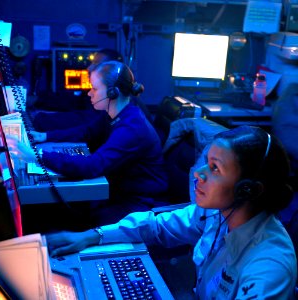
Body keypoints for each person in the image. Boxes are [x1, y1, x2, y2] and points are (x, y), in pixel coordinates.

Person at [45, 125, 297, 299]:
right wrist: (92, 235)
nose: (199, 174)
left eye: (215, 168)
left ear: (247, 190)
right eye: (206, 163)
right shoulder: (217, 215)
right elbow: (156, 226)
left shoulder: (269, 266)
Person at [30, 60, 169, 227]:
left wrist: (38, 156)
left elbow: (92, 167)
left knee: (75, 222)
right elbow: (86, 132)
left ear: (112, 93)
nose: (89, 93)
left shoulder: (131, 128)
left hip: (138, 205)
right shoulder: (117, 114)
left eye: (94, 89)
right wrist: (44, 136)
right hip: (120, 194)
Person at [32, 48, 152, 131]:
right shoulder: (107, 90)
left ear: (112, 70)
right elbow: (73, 102)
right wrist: (39, 100)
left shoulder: (115, 98)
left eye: (96, 64)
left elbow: (84, 121)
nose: (88, 68)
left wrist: (40, 120)